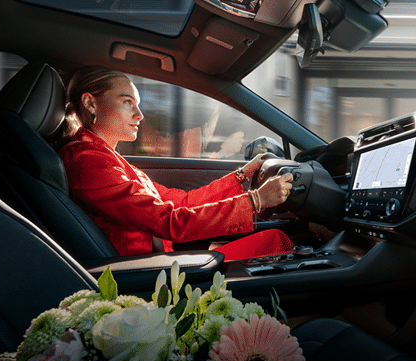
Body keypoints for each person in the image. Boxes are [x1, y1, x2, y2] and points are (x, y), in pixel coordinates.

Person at [58, 66, 295, 260]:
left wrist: (241, 175)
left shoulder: (104, 156)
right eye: (127, 102)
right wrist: (256, 200)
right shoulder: (88, 161)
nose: (139, 114)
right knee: (275, 243)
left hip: (158, 262)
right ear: (90, 103)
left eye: (137, 104)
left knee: (273, 240)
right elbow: (170, 222)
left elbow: (182, 202)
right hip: (145, 273)